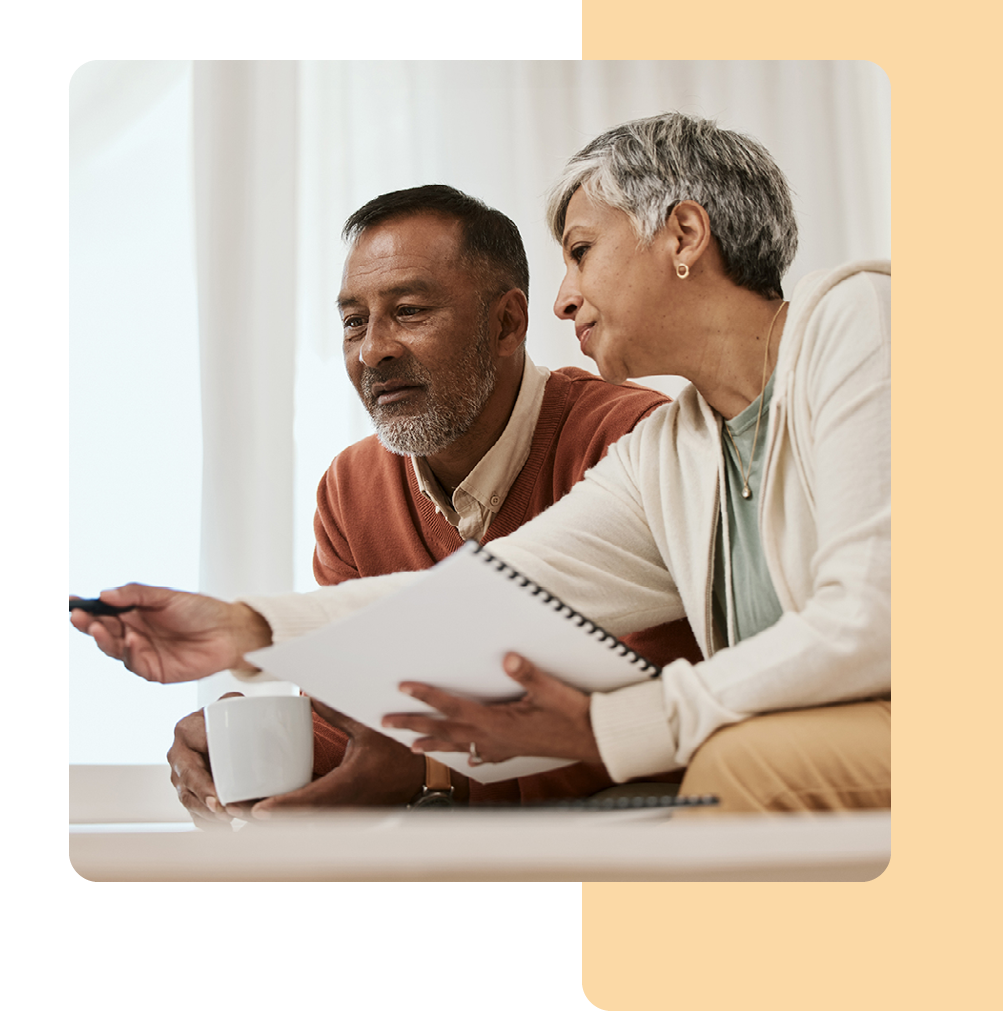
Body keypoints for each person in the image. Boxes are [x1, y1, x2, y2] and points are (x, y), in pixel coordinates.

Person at [75, 115, 890, 813]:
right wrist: (246, 628)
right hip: (825, 745)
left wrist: (608, 729)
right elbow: (494, 592)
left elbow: (873, 615)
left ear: (682, 234)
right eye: (354, 321)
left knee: (737, 765)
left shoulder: (859, 319)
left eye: (580, 251)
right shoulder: (675, 451)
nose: (563, 299)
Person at [82, 185, 699, 826]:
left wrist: (431, 771)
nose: (372, 349)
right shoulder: (350, 489)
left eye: (407, 311)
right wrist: (254, 743)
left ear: (508, 323)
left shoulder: (632, 442)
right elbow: (358, 730)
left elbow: (661, 722)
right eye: (353, 322)